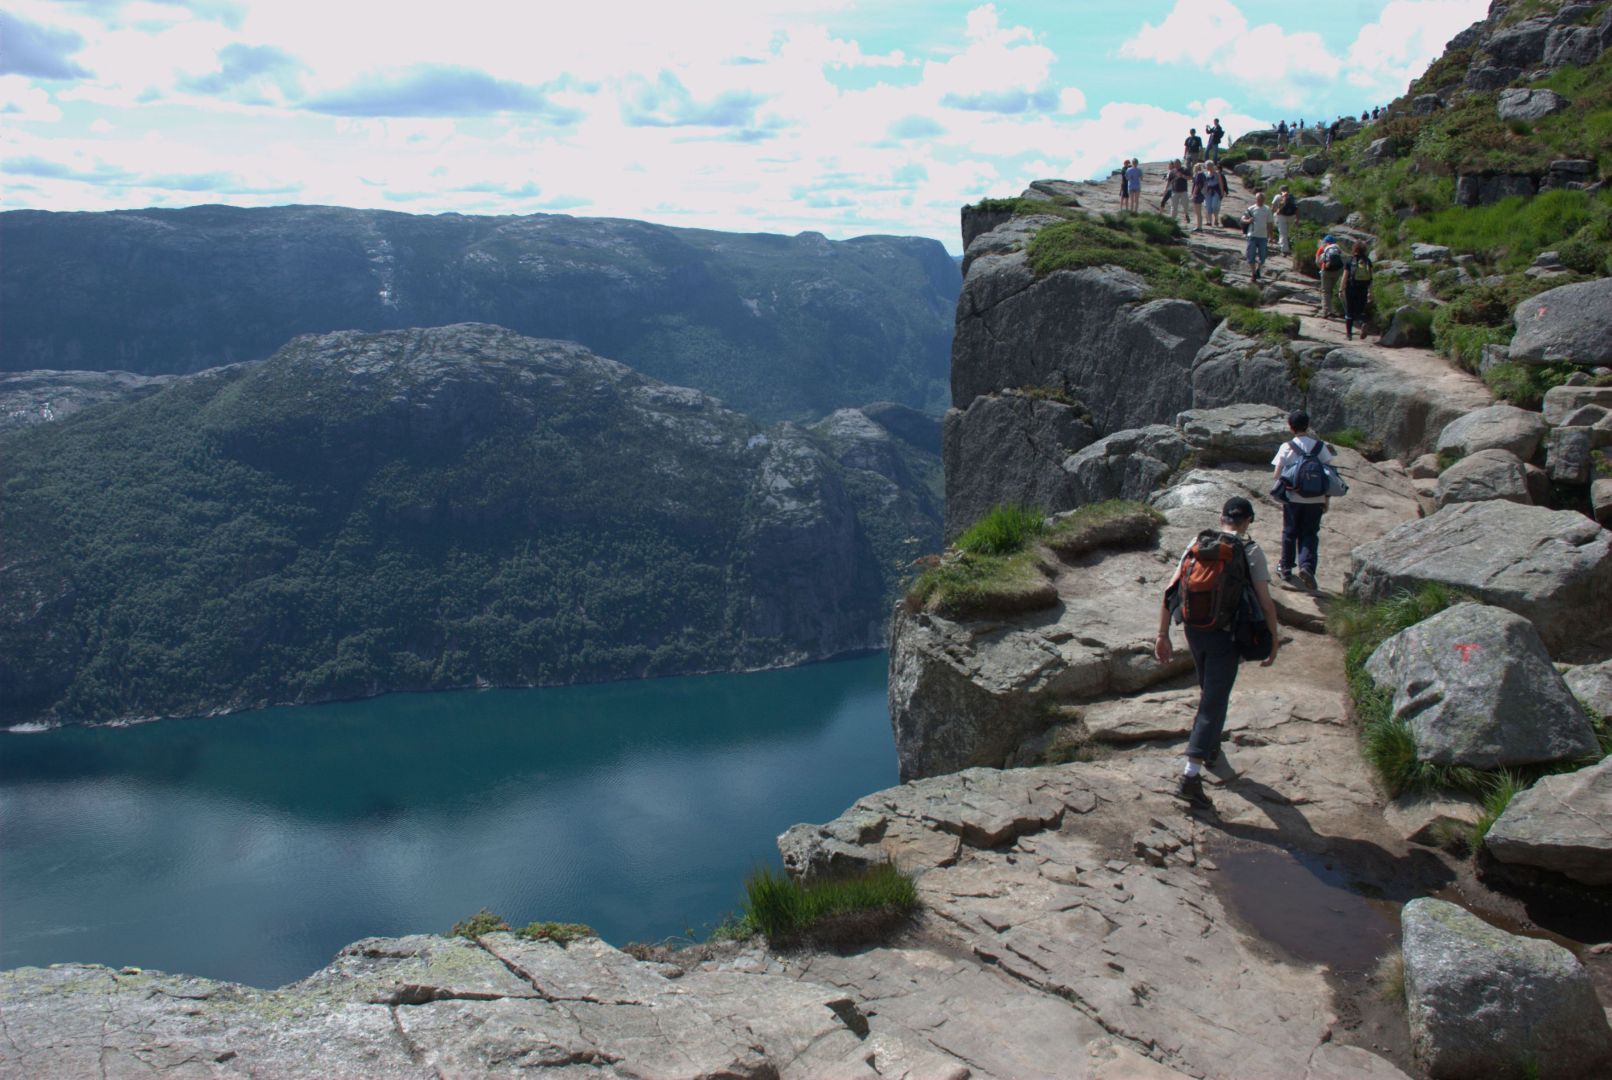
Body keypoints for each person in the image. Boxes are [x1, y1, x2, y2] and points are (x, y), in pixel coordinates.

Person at [1155, 496, 1280, 810]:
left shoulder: (1198, 542)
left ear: (1222, 517)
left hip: (1194, 629)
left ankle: (1209, 747)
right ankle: (1190, 776)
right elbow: (1265, 602)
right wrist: (1274, 639)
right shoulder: (1250, 551)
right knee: (1214, 700)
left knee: (1209, 690)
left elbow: (1170, 590)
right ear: (1248, 521)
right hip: (1226, 634)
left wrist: (1162, 635)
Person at [1270, 411, 1333, 591]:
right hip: (1316, 498)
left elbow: (1277, 475)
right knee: (1310, 534)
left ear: (1291, 426)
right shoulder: (1320, 447)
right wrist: (1326, 499)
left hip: (1293, 498)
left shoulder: (1287, 447)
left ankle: (1286, 567)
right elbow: (1328, 474)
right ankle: (1307, 567)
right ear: (1308, 425)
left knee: (1290, 532)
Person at [1343, 239, 1374, 340]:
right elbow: (1370, 277)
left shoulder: (1350, 260)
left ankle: (1349, 335)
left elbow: (1345, 276)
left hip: (1351, 288)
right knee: (1359, 311)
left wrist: (1341, 289)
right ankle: (1362, 324)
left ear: (1354, 248)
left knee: (1349, 311)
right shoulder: (1367, 261)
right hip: (1363, 289)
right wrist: (1370, 291)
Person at [1242, 191, 1272, 281]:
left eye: (1261, 199)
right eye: (1258, 199)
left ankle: (1258, 269)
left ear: (1264, 200)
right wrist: (1248, 221)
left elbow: (1270, 223)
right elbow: (1243, 218)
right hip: (1252, 235)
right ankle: (1253, 273)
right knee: (1251, 254)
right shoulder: (1251, 209)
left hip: (1263, 236)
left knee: (1262, 256)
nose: (1260, 201)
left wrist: (1271, 236)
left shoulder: (1267, 209)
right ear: (1256, 199)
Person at [1316, 233, 1344, 319]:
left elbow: (1318, 261)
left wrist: (1321, 268)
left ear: (1325, 241)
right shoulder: (1338, 248)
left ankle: (1325, 311)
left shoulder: (1323, 248)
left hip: (1326, 271)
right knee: (1332, 291)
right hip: (1337, 272)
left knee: (1325, 291)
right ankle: (1332, 310)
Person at [1273, 184, 1300, 256]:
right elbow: (1297, 208)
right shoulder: (1292, 197)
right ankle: (1282, 244)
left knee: (1283, 232)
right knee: (1285, 232)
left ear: (1280, 190)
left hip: (1282, 216)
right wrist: (1297, 219)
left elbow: (1273, 206)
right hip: (1291, 216)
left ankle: (1284, 250)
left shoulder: (1278, 196)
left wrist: (1275, 212)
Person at [1200, 161, 1227, 229]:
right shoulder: (1206, 174)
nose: (1206, 167)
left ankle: (1216, 219)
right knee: (1208, 206)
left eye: (1207, 166)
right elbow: (1204, 184)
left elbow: (1221, 184)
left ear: (1211, 166)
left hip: (1215, 191)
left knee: (1214, 206)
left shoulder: (1217, 174)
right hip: (1208, 192)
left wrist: (1221, 193)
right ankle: (1209, 221)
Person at [1191, 162, 1208, 231]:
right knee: (1198, 212)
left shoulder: (1199, 175)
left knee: (1198, 212)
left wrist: (1194, 194)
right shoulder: (1203, 174)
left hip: (1198, 194)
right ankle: (1199, 226)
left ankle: (1199, 227)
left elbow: (1197, 186)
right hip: (1201, 194)